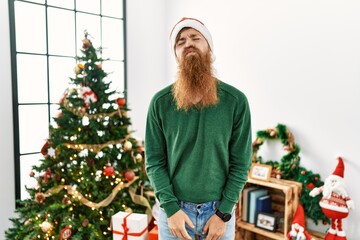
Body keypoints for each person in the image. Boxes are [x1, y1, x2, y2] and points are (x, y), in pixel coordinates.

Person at [145, 17, 252, 240]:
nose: (188, 44)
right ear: (176, 54)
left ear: (209, 48)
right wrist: (171, 209)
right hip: (174, 212)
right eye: (180, 41)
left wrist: (223, 213)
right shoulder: (160, 103)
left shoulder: (236, 101)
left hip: (219, 212)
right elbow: (154, 162)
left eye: (195, 38)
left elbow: (241, 164)